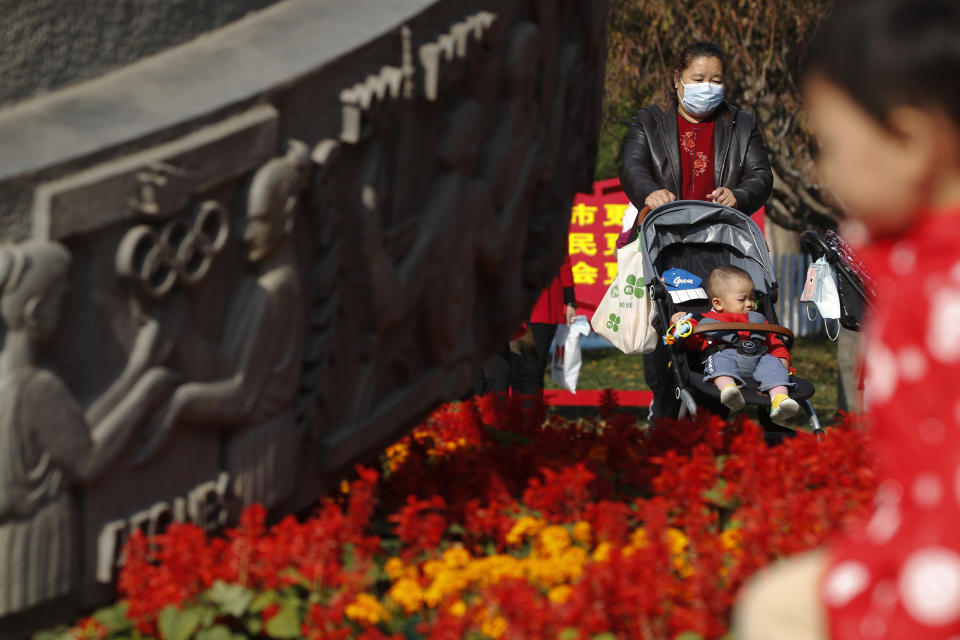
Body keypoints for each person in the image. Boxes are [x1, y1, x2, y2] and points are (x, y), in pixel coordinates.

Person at [734, 1, 960, 638]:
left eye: (830, 145)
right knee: (776, 603)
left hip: (930, 587)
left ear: (911, 142)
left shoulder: (944, 297)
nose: (824, 170)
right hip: (909, 550)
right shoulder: (916, 269)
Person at [0, 241, 175, 616]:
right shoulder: (37, 387)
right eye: (61, 302)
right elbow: (89, 459)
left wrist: (136, 370)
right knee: (44, 619)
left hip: (11, 541)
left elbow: (74, 432)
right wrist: (146, 395)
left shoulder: (11, 380)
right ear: (35, 313)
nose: (66, 313)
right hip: (40, 545)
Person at [619, 40, 773, 419]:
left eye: (716, 80)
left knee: (724, 332)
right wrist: (649, 192)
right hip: (666, 246)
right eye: (698, 78)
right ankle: (664, 408)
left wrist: (739, 194)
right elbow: (632, 166)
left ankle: (721, 406)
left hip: (720, 249)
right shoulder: (649, 121)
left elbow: (761, 175)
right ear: (677, 79)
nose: (708, 87)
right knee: (666, 329)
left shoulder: (742, 124)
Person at [670, 265, 800, 425]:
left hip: (759, 360)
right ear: (718, 304)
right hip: (724, 358)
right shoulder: (704, 320)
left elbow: (774, 341)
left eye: (752, 298)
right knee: (719, 359)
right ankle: (730, 391)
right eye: (742, 299)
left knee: (773, 364)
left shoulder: (758, 319)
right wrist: (680, 324)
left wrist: (782, 359)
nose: (749, 304)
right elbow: (690, 345)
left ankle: (780, 400)